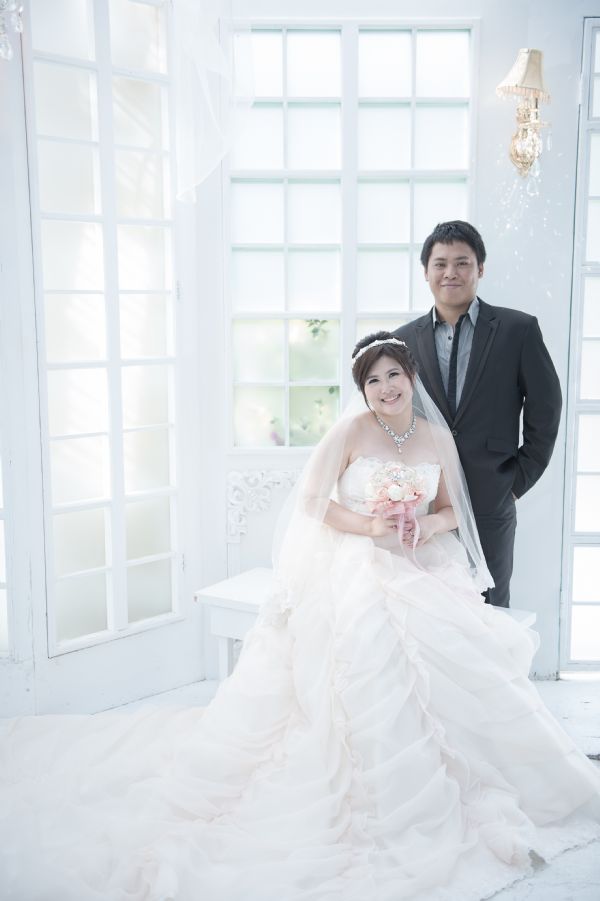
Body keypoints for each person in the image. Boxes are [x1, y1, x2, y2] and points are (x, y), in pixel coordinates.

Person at [0, 335, 598, 901]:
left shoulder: (436, 438)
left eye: (394, 375)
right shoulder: (350, 431)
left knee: (457, 659)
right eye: (373, 380)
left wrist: (424, 524)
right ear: (361, 389)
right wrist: (369, 523)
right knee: (369, 652)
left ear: (412, 377)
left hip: (422, 564)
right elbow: (312, 502)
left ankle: (465, 778)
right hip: (359, 564)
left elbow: (451, 510)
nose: (386, 387)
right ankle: (372, 787)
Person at [394, 220, 562, 607]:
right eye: (440, 264)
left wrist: (515, 484)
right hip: (425, 503)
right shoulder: (403, 340)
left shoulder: (518, 329)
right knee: (428, 608)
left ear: (480, 269)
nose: (450, 273)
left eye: (462, 263)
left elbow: (546, 409)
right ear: (425, 272)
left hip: (491, 498)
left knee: (490, 607)